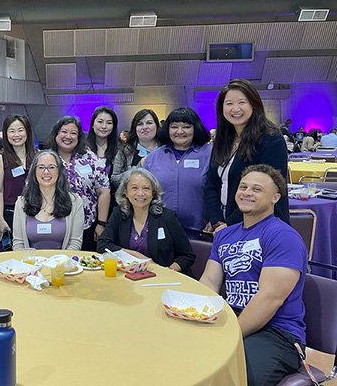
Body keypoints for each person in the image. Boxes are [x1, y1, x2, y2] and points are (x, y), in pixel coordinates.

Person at [200, 165, 306, 386]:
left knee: (231, 378)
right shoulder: (225, 235)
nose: (247, 193)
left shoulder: (283, 236)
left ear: (275, 197)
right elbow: (209, 281)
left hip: (276, 333)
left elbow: (270, 299)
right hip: (230, 319)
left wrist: (229, 336)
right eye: (243, 187)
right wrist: (201, 318)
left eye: (257, 189)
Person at [204, 79, 289, 232]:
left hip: (259, 223)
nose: (235, 109)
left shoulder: (270, 139)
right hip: (223, 221)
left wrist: (229, 226)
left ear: (254, 104)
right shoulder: (222, 139)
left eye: (242, 102)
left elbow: (267, 190)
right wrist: (217, 221)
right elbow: (212, 185)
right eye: (229, 103)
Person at [97, 167, 195, 275]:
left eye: (146, 188)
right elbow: (102, 245)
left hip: (163, 279)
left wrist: (166, 272)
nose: (140, 193)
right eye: (134, 188)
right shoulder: (119, 214)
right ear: (125, 192)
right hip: (129, 278)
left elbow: (187, 256)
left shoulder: (167, 217)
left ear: (153, 193)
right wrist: (135, 255)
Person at [142, 107, 212, 234]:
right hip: (161, 229)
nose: (180, 131)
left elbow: (219, 190)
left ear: (195, 128)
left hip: (200, 230)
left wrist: (215, 219)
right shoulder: (154, 157)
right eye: (174, 127)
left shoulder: (210, 154)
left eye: (186, 126)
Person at [46, 116, 110, 251]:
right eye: (64, 131)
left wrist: (101, 223)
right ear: (56, 133)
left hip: (87, 226)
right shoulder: (45, 158)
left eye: (73, 133)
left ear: (79, 136)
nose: (68, 136)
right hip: (54, 224)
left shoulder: (90, 158)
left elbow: (104, 190)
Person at [13, 150, 84, 250]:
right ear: (34, 172)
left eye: (51, 167)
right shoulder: (21, 203)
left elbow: (75, 243)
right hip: (31, 264)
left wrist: (58, 263)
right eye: (41, 167)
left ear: (59, 171)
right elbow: (18, 244)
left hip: (63, 263)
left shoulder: (75, 202)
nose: (46, 172)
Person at [0, 114, 37, 237]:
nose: (16, 135)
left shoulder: (38, 156)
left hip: (36, 210)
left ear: (27, 132)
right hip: (11, 212)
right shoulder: (1, 159)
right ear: (6, 134)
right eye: (12, 131)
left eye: (20, 130)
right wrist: (1, 219)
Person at [111, 109, 160, 188]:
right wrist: (138, 168)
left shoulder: (166, 150)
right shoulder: (125, 151)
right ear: (135, 128)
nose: (145, 127)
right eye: (140, 124)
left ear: (156, 126)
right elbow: (114, 180)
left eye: (149, 123)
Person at [85, 106, 119, 177]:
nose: (104, 126)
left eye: (109, 123)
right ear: (92, 125)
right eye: (100, 122)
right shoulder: (82, 148)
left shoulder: (120, 150)